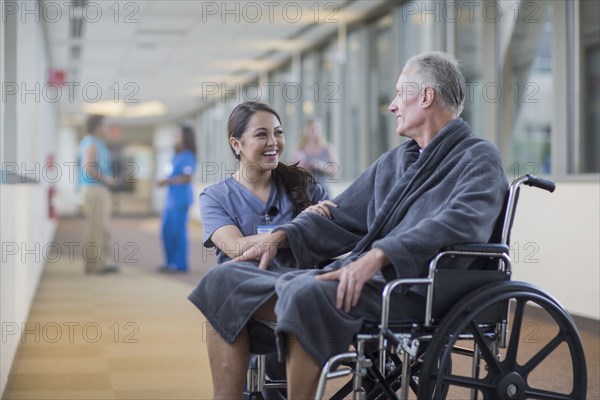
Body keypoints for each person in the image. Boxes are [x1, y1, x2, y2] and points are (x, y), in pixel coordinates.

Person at [188, 51, 508, 399]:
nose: (392, 105)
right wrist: (279, 237)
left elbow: (462, 222)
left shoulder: (478, 157)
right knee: (222, 280)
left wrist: (379, 255)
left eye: (401, 94)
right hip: (365, 278)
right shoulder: (397, 160)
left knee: (305, 293)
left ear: (426, 97)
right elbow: (340, 215)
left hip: (414, 289)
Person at [197, 101, 331, 399]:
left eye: (278, 133)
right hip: (247, 304)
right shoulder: (216, 197)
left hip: (302, 297)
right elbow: (234, 247)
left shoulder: (305, 187)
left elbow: (330, 238)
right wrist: (295, 231)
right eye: (261, 135)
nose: (273, 143)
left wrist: (306, 228)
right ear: (237, 144)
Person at [78, 114, 119, 274]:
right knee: (96, 227)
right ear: (96, 127)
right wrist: (107, 179)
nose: (107, 128)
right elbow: (88, 167)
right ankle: (95, 265)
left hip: (99, 189)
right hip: (94, 189)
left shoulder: (98, 143)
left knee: (103, 228)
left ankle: (102, 262)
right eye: (104, 125)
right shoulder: (91, 143)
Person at [157, 125, 197, 273]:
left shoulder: (188, 156)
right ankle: (170, 262)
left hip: (181, 200)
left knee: (178, 232)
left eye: (178, 135)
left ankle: (180, 264)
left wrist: (167, 181)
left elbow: (187, 177)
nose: (175, 138)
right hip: (171, 200)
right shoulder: (176, 157)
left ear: (185, 137)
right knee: (166, 230)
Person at [291, 119, 338, 195]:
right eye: (310, 128)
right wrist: (301, 167)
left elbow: (335, 172)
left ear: (320, 130)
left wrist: (319, 165)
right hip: (305, 193)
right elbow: (292, 173)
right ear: (304, 131)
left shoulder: (328, 149)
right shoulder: (299, 150)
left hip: (324, 192)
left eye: (315, 128)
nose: (312, 131)